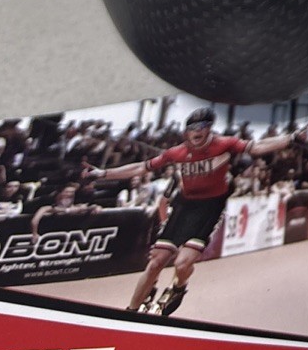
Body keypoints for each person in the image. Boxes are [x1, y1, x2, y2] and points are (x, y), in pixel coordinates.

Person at [84, 107, 293, 316]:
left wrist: (289, 138)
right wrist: (103, 173)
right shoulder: (177, 152)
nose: (197, 131)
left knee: (182, 264)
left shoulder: (224, 144)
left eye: (202, 127)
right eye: (192, 128)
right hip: (184, 206)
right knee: (155, 262)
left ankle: (179, 287)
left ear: (210, 129)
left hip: (210, 207)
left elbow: (257, 147)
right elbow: (141, 168)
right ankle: (131, 311)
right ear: (186, 132)